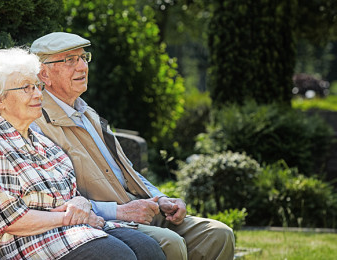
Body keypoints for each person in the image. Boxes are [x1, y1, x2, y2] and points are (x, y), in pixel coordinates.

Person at [30, 32, 235, 260]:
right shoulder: (37, 124)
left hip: (137, 207)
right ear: (43, 74)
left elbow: (126, 171)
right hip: (106, 220)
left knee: (218, 234)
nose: (82, 67)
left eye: (83, 58)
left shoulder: (87, 113)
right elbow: (57, 201)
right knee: (171, 243)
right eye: (69, 60)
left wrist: (160, 198)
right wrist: (122, 211)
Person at [0, 47, 166, 260]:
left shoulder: (42, 142)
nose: (38, 94)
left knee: (147, 249)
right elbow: (11, 221)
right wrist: (69, 217)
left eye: (37, 86)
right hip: (20, 244)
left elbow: (73, 197)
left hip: (70, 232)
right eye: (26, 88)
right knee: (117, 256)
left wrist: (80, 205)